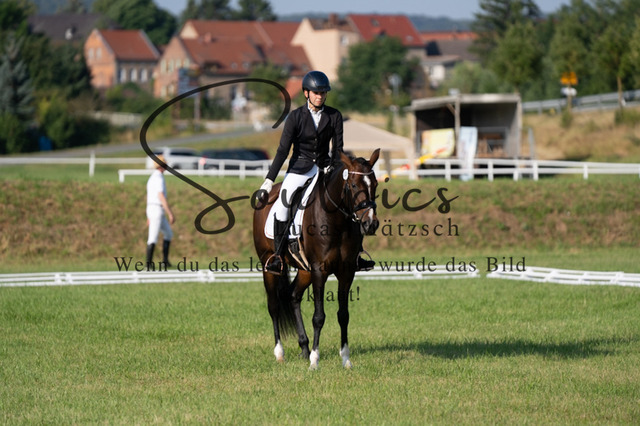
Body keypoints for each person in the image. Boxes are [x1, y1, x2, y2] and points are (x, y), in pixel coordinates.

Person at [258, 70, 375, 274]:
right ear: (306, 93)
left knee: (351, 200)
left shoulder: (334, 116)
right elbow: (283, 151)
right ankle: (278, 256)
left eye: (323, 93)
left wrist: (336, 166)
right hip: (299, 170)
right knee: (283, 205)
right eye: (316, 93)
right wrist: (269, 180)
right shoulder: (295, 117)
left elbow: (338, 148)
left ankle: (356, 254)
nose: (320, 96)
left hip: (324, 169)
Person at [146, 155, 175, 269]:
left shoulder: (153, 177)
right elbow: (160, 196)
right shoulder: (158, 178)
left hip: (154, 209)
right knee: (153, 237)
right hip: (156, 209)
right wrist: (170, 213)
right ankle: (148, 264)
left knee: (168, 233)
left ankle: (165, 261)